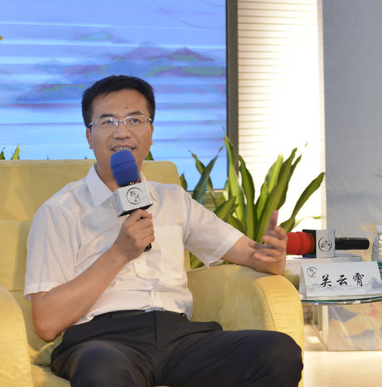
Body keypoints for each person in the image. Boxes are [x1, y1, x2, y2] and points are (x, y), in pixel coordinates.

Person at [24, 75, 303, 387]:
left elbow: (254, 256)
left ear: (151, 133)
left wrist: (273, 257)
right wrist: (118, 254)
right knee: (103, 369)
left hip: (181, 338)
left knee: (278, 352)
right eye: (107, 121)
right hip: (102, 340)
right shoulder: (61, 210)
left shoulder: (173, 199)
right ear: (89, 136)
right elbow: (46, 322)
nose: (122, 132)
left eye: (135, 120)